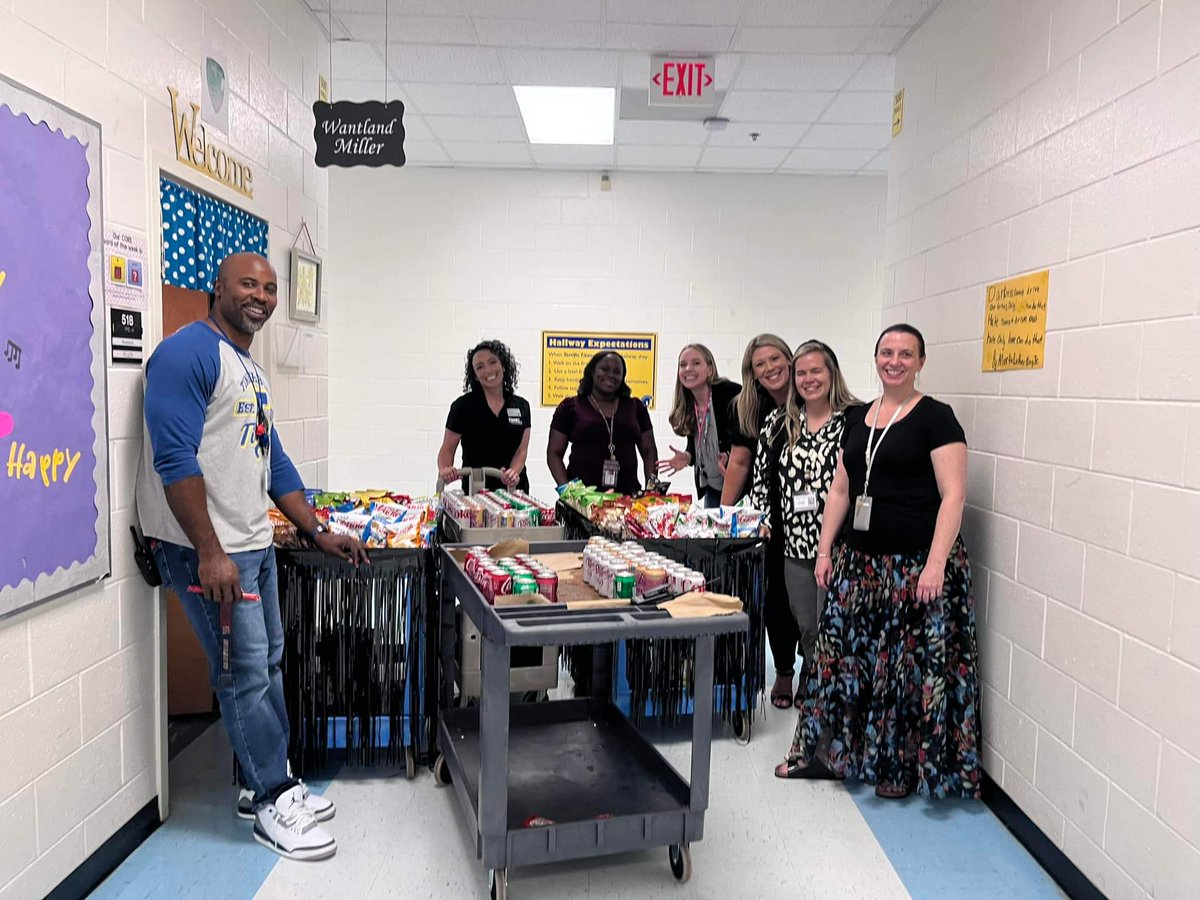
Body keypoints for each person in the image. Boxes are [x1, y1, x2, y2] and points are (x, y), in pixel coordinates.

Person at [135, 253, 369, 860]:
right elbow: (174, 460)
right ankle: (272, 800)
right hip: (207, 552)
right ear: (218, 288)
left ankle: (264, 779)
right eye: (248, 284)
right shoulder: (187, 354)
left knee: (266, 664)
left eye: (269, 287)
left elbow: (275, 461)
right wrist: (210, 552)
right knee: (243, 672)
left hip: (251, 545)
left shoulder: (248, 366)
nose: (261, 296)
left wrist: (316, 531)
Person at [775, 324, 980, 801]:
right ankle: (830, 755)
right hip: (860, 565)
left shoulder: (937, 418)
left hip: (915, 569)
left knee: (903, 673)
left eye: (906, 354)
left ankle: (898, 768)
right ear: (875, 358)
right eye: (887, 352)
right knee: (840, 663)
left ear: (921, 362)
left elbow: (954, 496)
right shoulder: (859, 418)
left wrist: (935, 565)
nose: (895, 361)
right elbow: (841, 491)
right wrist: (825, 551)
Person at [749, 340, 860, 708]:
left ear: (832, 374)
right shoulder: (778, 421)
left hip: (841, 547)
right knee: (808, 626)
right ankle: (816, 686)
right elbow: (761, 479)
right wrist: (760, 522)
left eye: (817, 371)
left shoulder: (854, 421)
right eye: (802, 373)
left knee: (836, 625)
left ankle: (833, 700)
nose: (809, 379)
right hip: (794, 546)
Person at [720, 334, 797, 709]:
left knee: (813, 600)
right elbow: (739, 462)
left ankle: (815, 672)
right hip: (770, 519)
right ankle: (784, 672)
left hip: (812, 520)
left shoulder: (812, 396)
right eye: (760, 364)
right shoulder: (747, 406)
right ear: (751, 372)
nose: (770, 368)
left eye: (775, 358)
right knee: (775, 598)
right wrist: (722, 514)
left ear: (789, 357)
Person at [548, 350, 658, 494]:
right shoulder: (571, 407)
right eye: (605, 369)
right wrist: (567, 492)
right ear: (592, 372)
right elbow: (553, 453)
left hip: (628, 499)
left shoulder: (635, 407)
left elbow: (649, 451)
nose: (611, 375)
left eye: (617, 371)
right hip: (583, 501)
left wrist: (652, 489)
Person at [437, 339, 531, 492]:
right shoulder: (462, 407)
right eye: (480, 367)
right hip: (475, 492)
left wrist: (513, 472)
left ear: (504, 366)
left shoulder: (521, 406)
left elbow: (521, 451)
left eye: (492, 362)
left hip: (514, 490)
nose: (487, 370)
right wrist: (445, 470)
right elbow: (447, 448)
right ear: (475, 375)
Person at [657, 343, 741, 507]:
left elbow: (747, 439)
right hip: (712, 489)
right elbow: (699, 443)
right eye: (683, 364)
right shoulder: (690, 404)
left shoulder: (729, 394)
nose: (688, 368)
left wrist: (731, 455)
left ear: (710, 369)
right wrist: (689, 456)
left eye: (696, 363)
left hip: (739, 489)